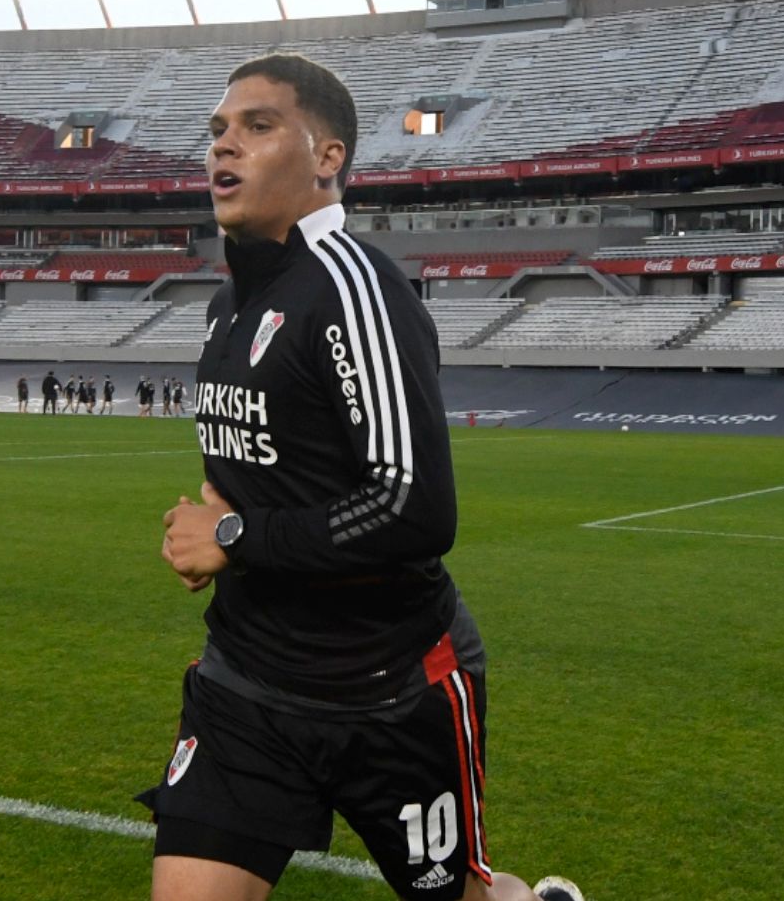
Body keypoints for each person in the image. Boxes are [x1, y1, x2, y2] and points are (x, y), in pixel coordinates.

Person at [143, 53, 579, 901]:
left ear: (327, 156)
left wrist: (233, 536)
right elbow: (253, 471)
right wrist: (215, 525)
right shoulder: (226, 305)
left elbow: (414, 510)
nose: (224, 147)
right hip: (246, 685)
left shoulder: (355, 287)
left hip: (389, 689)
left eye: (258, 127)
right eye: (218, 131)